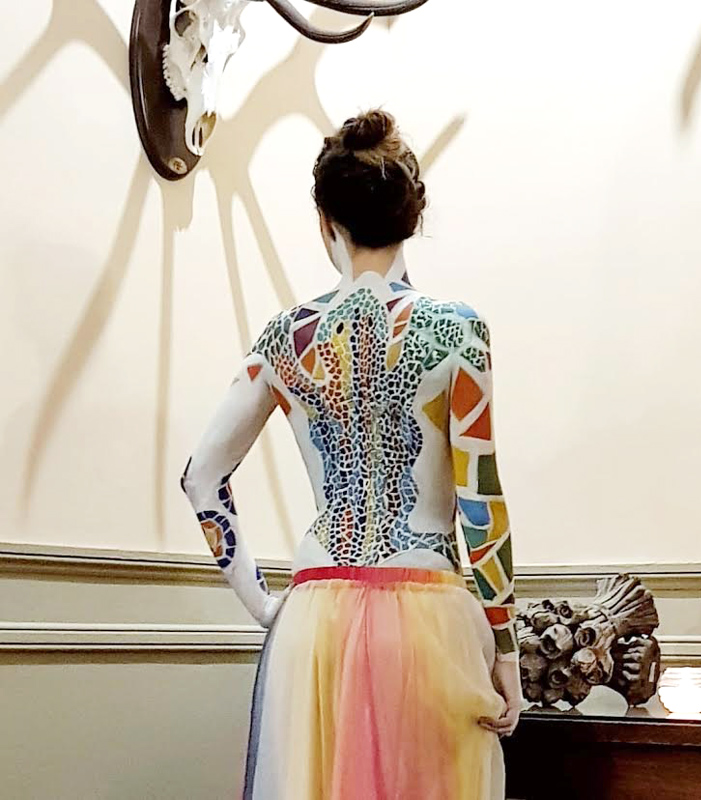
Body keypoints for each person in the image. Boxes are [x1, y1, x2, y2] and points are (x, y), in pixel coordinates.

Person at [181, 109, 522, 800]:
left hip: (313, 623)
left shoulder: (284, 338)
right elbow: (480, 504)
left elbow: (200, 477)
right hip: (429, 619)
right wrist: (506, 653)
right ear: (411, 218)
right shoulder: (458, 332)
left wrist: (265, 607)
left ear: (324, 221)